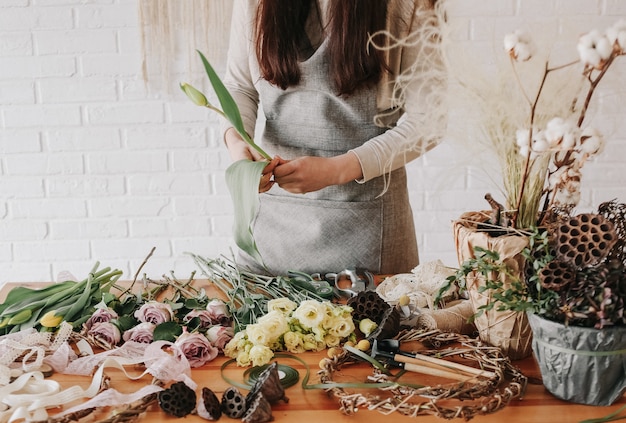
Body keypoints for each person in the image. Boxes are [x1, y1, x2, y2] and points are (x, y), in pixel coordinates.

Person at [221, 0, 446, 276]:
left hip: (369, 227)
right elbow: (239, 85)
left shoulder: (408, 4)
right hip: (270, 227)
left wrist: (338, 169)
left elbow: (430, 120)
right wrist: (238, 141)